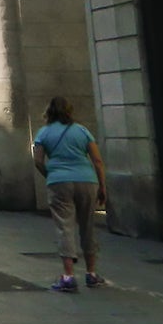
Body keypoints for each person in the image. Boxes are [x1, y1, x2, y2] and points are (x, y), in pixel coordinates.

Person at [32, 96, 107, 292]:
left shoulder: (44, 133)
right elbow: (97, 160)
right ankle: (91, 274)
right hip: (86, 180)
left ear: (49, 112)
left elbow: (38, 160)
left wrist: (51, 174)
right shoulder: (82, 131)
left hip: (59, 182)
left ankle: (68, 276)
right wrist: (102, 186)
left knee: (64, 226)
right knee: (88, 226)